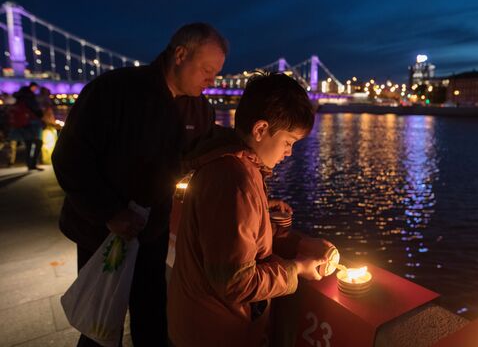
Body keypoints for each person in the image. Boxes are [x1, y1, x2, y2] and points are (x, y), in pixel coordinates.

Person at [51, 23, 228, 347]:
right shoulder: (113, 91)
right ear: (179, 54)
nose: (212, 81)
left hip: (151, 231)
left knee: (151, 315)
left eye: (216, 73)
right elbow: (68, 158)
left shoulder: (200, 108)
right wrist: (110, 212)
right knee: (100, 323)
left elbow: (208, 152)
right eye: (207, 70)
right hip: (101, 232)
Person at [168, 73, 334, 347]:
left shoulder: (233, 163)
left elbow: (233, 232)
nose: (290, 152)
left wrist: (267, 216)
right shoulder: (235, 180)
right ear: (260, 130)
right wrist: (297, 269)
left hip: (197, 322)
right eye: (288, 142)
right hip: (214, 333)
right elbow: (236, 282)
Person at [9, 82, 44, 170]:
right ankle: (33, 163)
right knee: (38, 143)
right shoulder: (29, 97)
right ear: (32, 87)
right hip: (33, 123)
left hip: (23, 123)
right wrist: (41, 115)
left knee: (28, 144)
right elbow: (38, 111)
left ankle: (29, 164)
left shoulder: (19, 99)